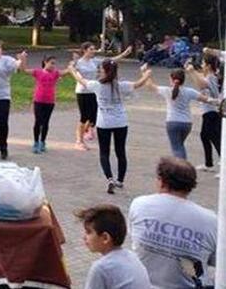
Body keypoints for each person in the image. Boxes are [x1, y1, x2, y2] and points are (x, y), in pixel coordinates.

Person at [129, 157, 217, 289]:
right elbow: (218, 262)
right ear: (190, 186)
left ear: (162, 182)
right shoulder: (211, 221)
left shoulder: (139, 204)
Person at [70, 60, 152, 194]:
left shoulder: (97, 85)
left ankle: (109, 178)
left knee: (104, 153)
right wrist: (147, 74)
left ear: (104, 71)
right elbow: (138, 84)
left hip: (104, 123)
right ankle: (120, 180)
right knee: (121, 152)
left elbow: (81, 80)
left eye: (100, 68)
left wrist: (72, 70)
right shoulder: (121, 85)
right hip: (121, 122)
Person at [144, 68, 217, 160]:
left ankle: (181, 168)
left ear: (171, 79)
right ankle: (180, 165)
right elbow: (207, 99)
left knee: (177, 148)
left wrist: (146, 74)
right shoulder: (189, 91)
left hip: (173, 122)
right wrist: (218, 102)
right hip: (187, 123)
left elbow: (150, 86)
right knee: (179, 146)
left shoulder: (167, 91)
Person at [72, 42, 133, 150]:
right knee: (84, 117)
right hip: (82, 91)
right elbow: (73, 72)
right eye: (91, 49)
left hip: (94, 90)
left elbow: (111, 61)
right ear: (85, 50)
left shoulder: (94, 61)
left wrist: (124, 54)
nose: (93, 51)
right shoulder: (79, 63)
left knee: (93, 115)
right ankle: (79, 141)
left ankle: (86, 130)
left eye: (94, 49)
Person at [75, 204, 152, 289]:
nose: (84, 237)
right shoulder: (131, 256)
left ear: (105, 238)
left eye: (88, 232)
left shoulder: (101, 268)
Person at [21, 55, 69, 154]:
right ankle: (36, 142)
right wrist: (23, 59)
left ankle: (42, 141)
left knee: (46, 122)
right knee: (38, 122)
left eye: (54, 64)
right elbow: (24, 70)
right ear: (45, 62)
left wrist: (74, 63)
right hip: (38, 100)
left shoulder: (55, 74)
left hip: (50, 101)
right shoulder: (38, 72)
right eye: (51, 63)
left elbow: (67, 71)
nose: (53, 65)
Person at [184, 57, 222, 173]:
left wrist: (192, 72)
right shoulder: (209, 76)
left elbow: (202, 85)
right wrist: (191, 70)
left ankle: (223, 164)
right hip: (209, 112)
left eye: (203, 63)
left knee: (214, 138)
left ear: (209, 66)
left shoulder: (211, 77)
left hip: (212, 112)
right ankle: (208, 163)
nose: (202, 65)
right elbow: (200, 79)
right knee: (205, 136)